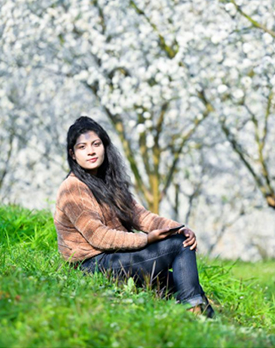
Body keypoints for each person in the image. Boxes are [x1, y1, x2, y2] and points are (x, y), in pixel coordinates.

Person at [53, 116, 214, 317]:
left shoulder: (109, 182)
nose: (91, 151)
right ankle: (194, 313)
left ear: (105, 146)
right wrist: (146, 239)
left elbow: (141, 216)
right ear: (73, 155)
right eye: (82, 147)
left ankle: (207, 327)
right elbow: (98, 236)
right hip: (92, 266)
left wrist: (178, 228)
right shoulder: (73, 188)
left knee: (187, 286)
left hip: (116, 258)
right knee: (178, 245)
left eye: (96, 144)